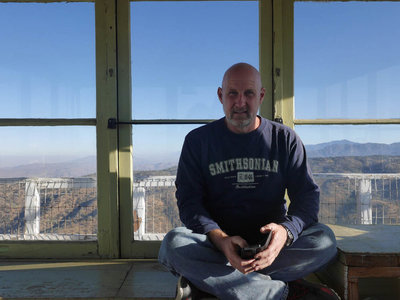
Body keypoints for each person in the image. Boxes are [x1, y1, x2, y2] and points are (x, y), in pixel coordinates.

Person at [158, 63, 339, 300]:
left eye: (249, 93)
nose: (240, 102)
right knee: (173, 245)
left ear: (261, 95)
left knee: (324, 241)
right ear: (221, 96)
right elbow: (189, 202)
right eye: (232, 93)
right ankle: (282, 292)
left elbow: (307, 196)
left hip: (271, 246)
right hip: (218, 245)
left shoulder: (284, 139)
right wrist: (221, 240)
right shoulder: (198, 141)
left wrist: (285, 233)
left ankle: (214, 283)